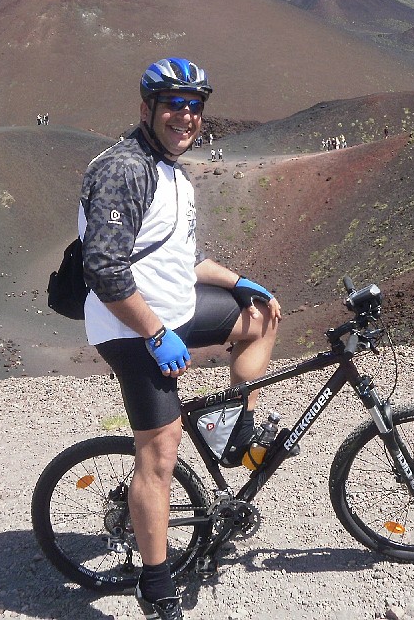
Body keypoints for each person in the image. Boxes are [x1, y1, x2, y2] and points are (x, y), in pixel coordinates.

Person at [78, 57, 282, 620]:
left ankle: (230, 426)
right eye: (173, 104)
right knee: (160, 449)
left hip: (173, 312)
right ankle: (156, 580)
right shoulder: (125, 169)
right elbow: (105, 269)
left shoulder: (173, 173)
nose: (185, 116)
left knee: (260, 318)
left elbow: (182, 259)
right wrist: (155, 332)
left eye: (194, 106)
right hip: (130, 326)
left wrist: (240, 283)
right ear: (147, 109)